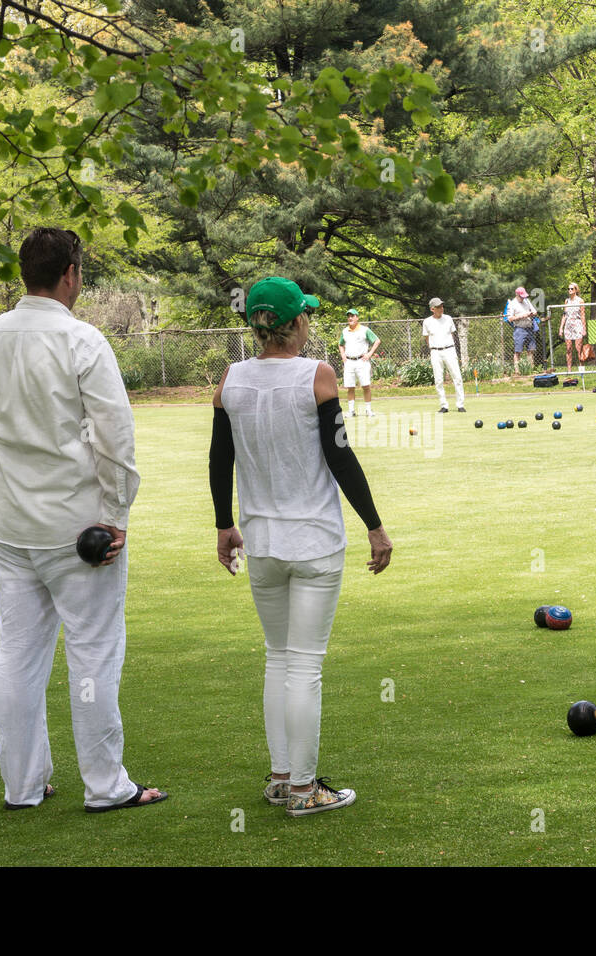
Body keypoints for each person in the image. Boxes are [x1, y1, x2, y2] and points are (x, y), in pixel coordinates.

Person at [0, 227, 166, 813]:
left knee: (17, 654)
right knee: (94, 653)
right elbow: (114, 436)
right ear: (71, 273)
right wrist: (116, 514)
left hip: (9, 524)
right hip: (78, 529)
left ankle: (23, 786)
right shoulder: (82, 340)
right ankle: (106, 786)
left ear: (24, 273)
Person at [210, 276, 393, 817]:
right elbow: (340, 457)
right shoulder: (317, 375)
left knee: (279, 658)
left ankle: (282, 775)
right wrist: (375, 526)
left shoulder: (231, 379)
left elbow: (221, 460)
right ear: (294, 325)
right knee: (305, 666)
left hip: (260, 541)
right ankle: (304, 789)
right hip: (313, 541)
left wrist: (224, 525)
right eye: (306, 316)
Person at [422, 296, 467, 413]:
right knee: (438, 380)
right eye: (438, 307)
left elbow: (452, 334)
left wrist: (447, 345)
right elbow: (427, 338)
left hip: (449, 350)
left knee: (457, 377)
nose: (441, 308)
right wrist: (434, 348)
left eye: (442, 306)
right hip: (435, 352)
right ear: (432, 309)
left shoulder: (448, 319)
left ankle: (460, 405)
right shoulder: (427, 322)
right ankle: (444, 405)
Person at [338, 308, 379, 417]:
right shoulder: (345, 331)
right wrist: (342, 354)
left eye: (352, 316)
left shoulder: (364, 330)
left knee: (366, 386)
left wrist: (369, 354)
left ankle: (368, 410)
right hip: (349, 362)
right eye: (349, 316)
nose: (350, 318)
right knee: (350, 387)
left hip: (362, 361)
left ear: (357, 317)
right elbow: (341, 344)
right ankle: (351, 411)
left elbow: (377, 341)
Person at [506, 286, 540, 374]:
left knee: (531, 350)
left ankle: (530, 370)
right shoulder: (512, 304)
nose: (523, 298)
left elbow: (534, 311)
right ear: (517, 295)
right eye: (521, 296)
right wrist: (523, 315)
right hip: (519, 329)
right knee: (518, 351)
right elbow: (510, 318)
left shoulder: (527, 301)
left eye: (524, 296)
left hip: (529, 328)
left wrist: (533, 313)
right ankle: (517, 371)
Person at [560, 283, 587, 373]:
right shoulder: (566, 301)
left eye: (572, 289)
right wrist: (561, 328)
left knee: (578, 347)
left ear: (575, 290)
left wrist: (584, 328)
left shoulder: (580, 301)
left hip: (577, 324)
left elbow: (583, 315)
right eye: (568, 289)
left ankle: (581, 369)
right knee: (568, 348)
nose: (570, 290)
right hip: (568, 326)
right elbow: (564, 315)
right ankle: (569, 370)